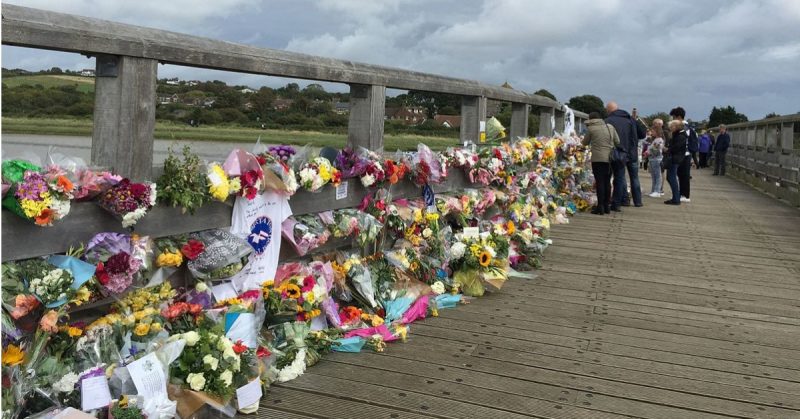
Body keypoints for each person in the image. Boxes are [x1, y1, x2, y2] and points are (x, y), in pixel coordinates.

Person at [606, 101, 646, 210]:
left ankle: (622, 201)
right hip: (632, 152)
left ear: (609, 110)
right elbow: (642, 134)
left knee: (620, 177)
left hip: (618, 153)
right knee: (634, 177)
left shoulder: (608, 121)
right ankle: (638, 201)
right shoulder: (631, 119)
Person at [582, 112, 620, 215]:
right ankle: (607, 206)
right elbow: (617, 141)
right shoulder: (610, 127)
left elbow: (584, 143)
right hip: (610, 159)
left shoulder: (591, 129)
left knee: (600, 182)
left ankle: (600, 207)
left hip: (597, 159)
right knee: (607, 181)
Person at [669, 107, 695, 203]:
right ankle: (683, 194)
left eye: (674, 117)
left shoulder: (683, 127)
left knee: (683, 175)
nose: (673, 119)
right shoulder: (688, 127)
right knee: (682, 175)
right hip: (686, 153)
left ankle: (684, 195)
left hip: (684, 154)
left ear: (679, 117)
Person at [664, 119, 687, 205]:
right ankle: (675, 197)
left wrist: (667, 149)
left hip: (675, 159)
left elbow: (676, 147)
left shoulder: (680, 136)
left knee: (671, 177)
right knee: (670, 177)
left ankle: (676, 199)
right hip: (675, 158)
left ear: (677, 127)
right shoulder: (678, 134)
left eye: (672, 126)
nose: (670, 128)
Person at [647, 127, 665, 198]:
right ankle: (653, 190)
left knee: (657, 176)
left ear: (657, 132)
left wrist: (649, 152)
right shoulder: (655, 139)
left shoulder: (659, 140)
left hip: (656, 160)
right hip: (652, 159)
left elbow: (658, 149)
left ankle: (657, 191)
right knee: (654, 176)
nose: (651, 132)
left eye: (653, 131)